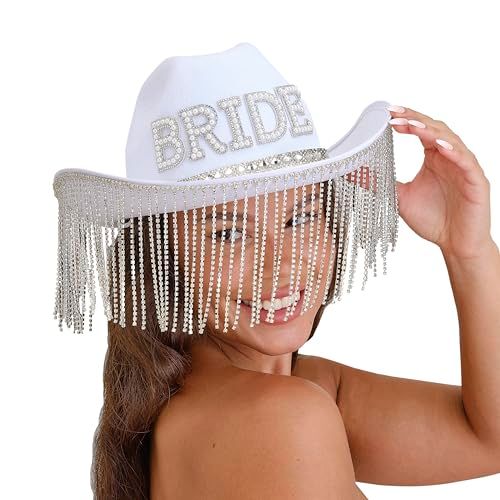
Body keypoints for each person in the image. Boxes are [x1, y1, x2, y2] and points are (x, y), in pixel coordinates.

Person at [52, 43, 500, 499]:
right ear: (161, 256)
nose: (280, 264)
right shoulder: (282, 415)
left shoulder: (286, 391)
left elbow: (491, 440)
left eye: (300, 217)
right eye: (229, 233)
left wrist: (469, 250)